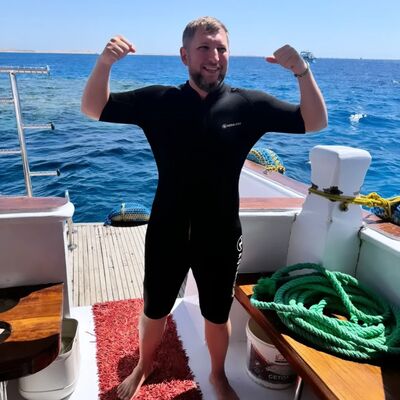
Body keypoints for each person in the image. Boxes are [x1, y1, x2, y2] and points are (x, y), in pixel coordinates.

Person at [81, 16, 327, 400]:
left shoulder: (248, 105)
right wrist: (105, 63)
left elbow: (315, 121)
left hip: (221, 234)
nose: (214, 57)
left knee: (216, 313)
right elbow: (94, 107)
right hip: (167, 229)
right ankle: (144, 365)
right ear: (185, 55)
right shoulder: (159, 101)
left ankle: (217, 375)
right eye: (204, 48)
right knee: (154, 308)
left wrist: (301, 71)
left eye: (221, 48)